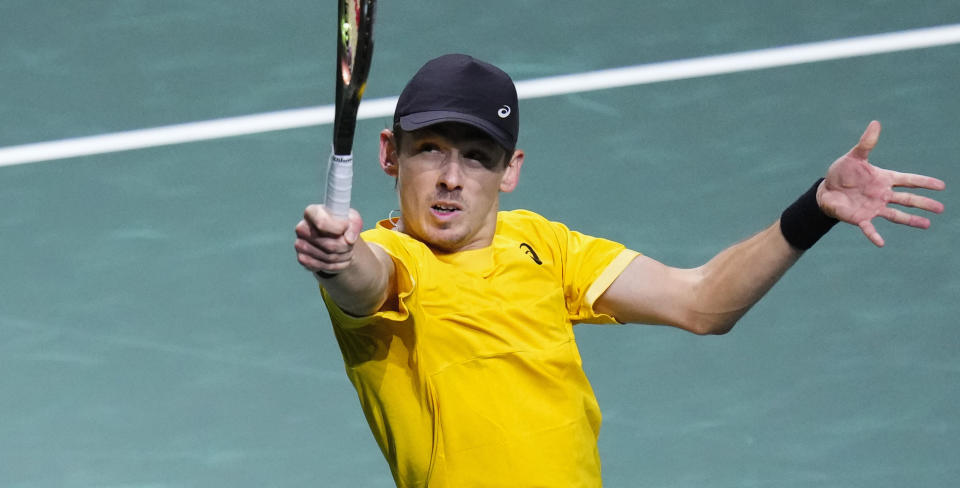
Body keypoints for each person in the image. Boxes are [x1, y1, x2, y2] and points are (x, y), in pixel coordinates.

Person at [294, 53, 945, 487]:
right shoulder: (396, 260)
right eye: (429, 150)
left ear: (511, 169)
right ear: (390, 154)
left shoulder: (544, 245)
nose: (450, 179)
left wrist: (815, 209)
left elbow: (702, 303)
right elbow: (362, 278)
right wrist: (337, 254)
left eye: (476, 156)